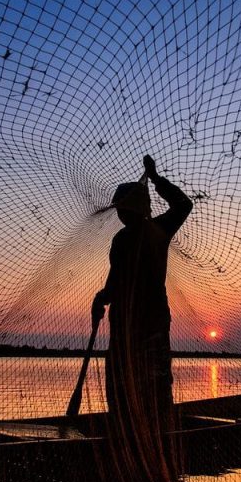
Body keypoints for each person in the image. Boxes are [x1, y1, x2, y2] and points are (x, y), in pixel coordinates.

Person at [92, 155, 192, 460]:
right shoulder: (127, 238)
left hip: (146, 323)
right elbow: (115, 282)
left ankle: (152, 444)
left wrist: (156, 178)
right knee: (129, 381)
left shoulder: (151, 231)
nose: (121, 214)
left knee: (148, 382)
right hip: (130, 322)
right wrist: (102, 298)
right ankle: (134, 439)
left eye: (123, 208)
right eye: (120, 209)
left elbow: (184, 205)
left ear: (132, 209)